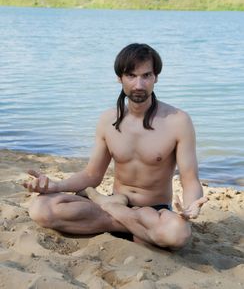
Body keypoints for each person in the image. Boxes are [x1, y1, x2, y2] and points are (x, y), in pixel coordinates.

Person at [23, 43, 207, 249]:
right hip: (121, 204)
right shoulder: (107, 120)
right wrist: (56, 186)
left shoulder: (178, 121)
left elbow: (190, 180)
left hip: (153, 211)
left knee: (177, 234)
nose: (139, 84)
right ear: (119, 78)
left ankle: (109, 208)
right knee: (40, 207)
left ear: (156, 77)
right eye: (131, 76)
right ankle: (131, 224)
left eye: (146, 76)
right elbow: (92, 175)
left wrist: (191, 207)